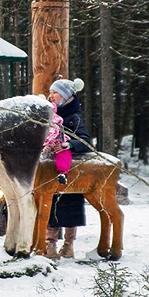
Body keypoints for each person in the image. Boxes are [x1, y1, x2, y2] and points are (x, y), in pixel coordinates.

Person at [45, 77, 90, 259]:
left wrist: (68, 145)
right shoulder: (49, 114)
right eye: (51, 92)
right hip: (50, 168)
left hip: (70, 169)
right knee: (51, 205)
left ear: (65, 95)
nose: (51, 95)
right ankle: (50, 245)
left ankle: (69, 245)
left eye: (55, 92)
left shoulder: (73, 117)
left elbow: (85, 141)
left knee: (70, 206)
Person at [43, 101, 72, 185]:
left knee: (63, 154)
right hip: (47, 145)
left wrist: (43, 143)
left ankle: (62, 173)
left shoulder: (54, 122)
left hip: (58, 143)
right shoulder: (41, 122)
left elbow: (52, 134)